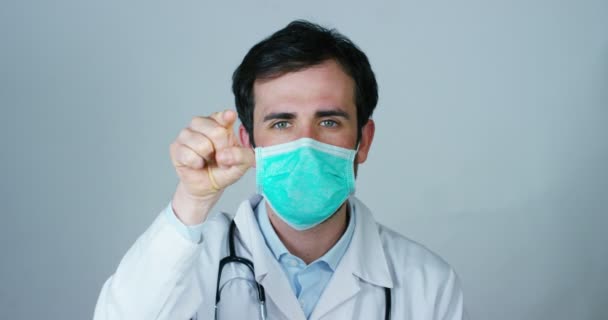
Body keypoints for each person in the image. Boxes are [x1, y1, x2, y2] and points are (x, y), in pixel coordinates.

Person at [93, 20, 465, 320]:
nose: (305, 144)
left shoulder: (426, 283)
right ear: (248, 140)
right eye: (282, 124)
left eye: (329, 122)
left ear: (363, 141)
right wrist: (191, 200)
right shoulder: (192, 260)